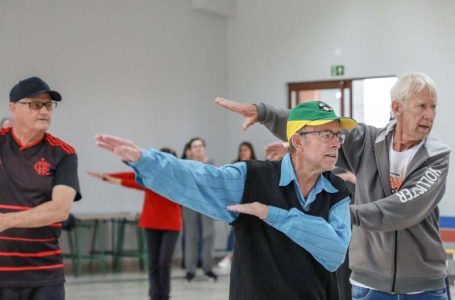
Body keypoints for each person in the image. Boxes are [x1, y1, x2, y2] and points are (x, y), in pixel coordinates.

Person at [215, 71, 451, 299]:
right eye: (422, 106)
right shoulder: (368, 142)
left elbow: (403, 207)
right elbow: (318, 129)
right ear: (397, 107)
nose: (429, 115)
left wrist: (341, 213)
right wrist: (267, 114)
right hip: (369, 284)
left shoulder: (436, 155)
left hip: (423, 285)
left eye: (434, 107)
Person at [95, 100, 356, 299]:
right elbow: (200, 178)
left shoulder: (337, 191)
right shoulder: (251, 177)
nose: (336, 144)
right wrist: (145, 159)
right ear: (298, 141)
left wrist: (272, 214)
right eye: (326, 135)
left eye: (338, 136)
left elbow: (333, 253)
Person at [0, 76, 81, 300]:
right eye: (35, 105)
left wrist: (6, 221)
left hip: (44, 276)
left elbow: (60, 210)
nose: (44, 111)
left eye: (48, 105)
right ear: (13, 108)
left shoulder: (63, 153)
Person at [88, 147, 181, 300]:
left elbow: (138, 184)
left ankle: (164, 296)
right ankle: (154, 295)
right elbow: (132, 176)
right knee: (153, 262)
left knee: (164, 262)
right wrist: (105, 176)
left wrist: (117, 181)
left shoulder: (174, 178)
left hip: (171, 225)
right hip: (151, 222)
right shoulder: (149, 175)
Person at [180, 137, 218, 282]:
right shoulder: (186, 164)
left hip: (207, 202)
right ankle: (190, 269)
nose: (198, 148)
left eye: (201, 145)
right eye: (195, 146)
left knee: (209, 234)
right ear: (190, 150)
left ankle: (208, 268)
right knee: (190, 235)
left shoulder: (211, 163)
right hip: (190, 202)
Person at [218, 141, 257, 269]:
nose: (243, 152)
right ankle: (229, 256)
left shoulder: (258, 166)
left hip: (253, 204)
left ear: (251, 151)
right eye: (241, 150)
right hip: (238, 203)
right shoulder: (234, 165)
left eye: (246, 149)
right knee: (234, 230)